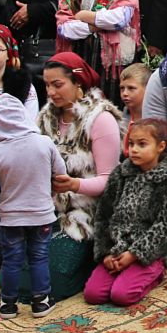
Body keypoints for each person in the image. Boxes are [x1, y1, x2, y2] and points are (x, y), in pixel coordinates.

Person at [0, 91, 66, 318]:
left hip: (11, 218)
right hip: (42, 215)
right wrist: (49, 195)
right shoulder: (44, 143)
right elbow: (61, 175)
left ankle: (8, 303)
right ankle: (41, 301)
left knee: (12, 259)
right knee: (39, 256)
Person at [38, 52, 121, 289]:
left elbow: (109, 180)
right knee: (11, 280)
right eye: (47, 85)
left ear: (78, 84)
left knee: (51, 284)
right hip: (46, 209)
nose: (51, 92)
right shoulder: (45, 118)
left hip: (88, 213)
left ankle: (89, 259)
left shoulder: (100, 119)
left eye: (58, 85)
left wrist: (74, 185)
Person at [84, 117, 167, 307]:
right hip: (117, 246)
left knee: (121, 295)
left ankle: (156, 272)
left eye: (142, 144)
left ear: (160, 146)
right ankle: (123, 269)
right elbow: (103, 215)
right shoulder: (120, 174)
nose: (134, 149)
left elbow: (165, 227)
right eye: (131, 143)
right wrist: (106, 253)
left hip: (152, 251)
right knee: (93, 295)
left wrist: (134, 254)